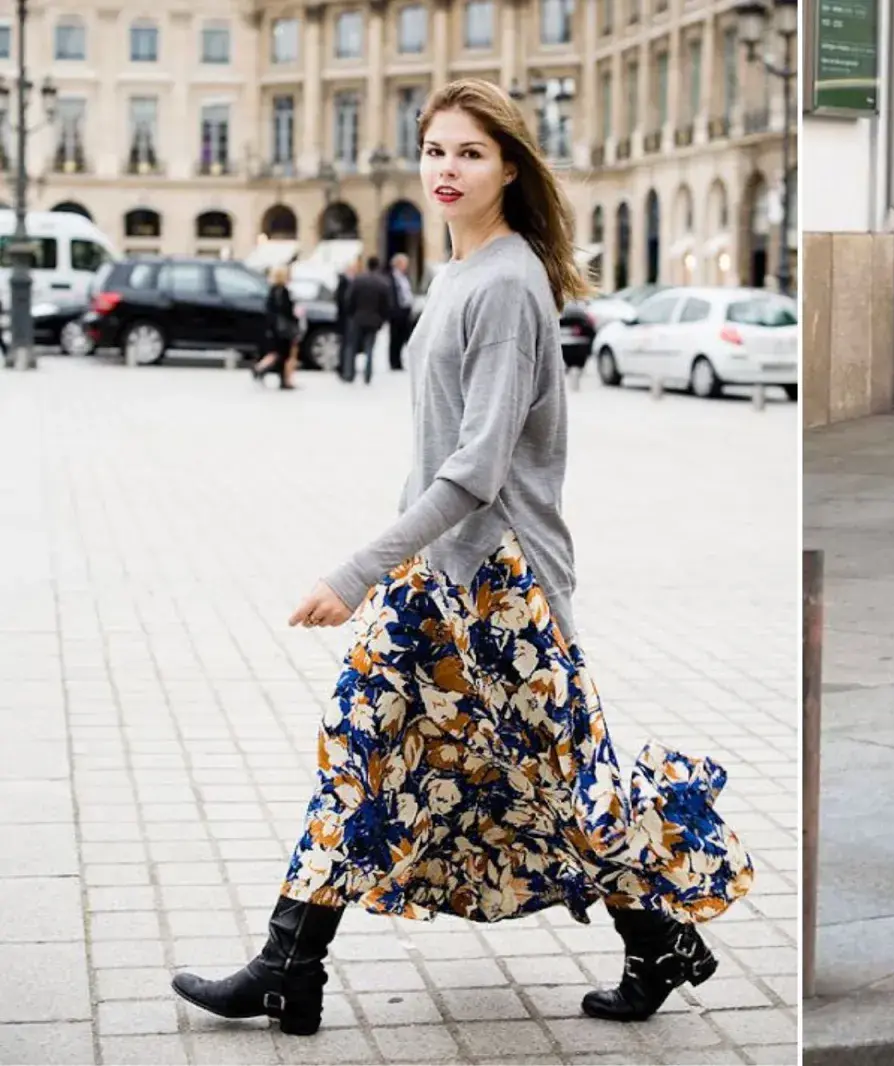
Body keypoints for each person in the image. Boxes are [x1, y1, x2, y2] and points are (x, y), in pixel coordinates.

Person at [169, 77, 754, 1037]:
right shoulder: (462, 271)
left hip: (503, 583)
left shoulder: (510, 282)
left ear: (510, 167)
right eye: (436, 150)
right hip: (436, 579)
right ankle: (289, 965)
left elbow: (476, 472)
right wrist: (395, 569)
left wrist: (352, 572)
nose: (447, 169)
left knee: (566, 780)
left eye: (470, 153)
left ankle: (660, 938)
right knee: (359, 750)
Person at [339, 257, 394, 384]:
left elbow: (349, 299)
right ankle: (367, 375)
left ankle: (349, 373)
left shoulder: (358, 280)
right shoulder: (382, 283)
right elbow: (387, 304)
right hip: (374, 320)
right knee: (369, 348)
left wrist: (351, 313)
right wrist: (382, 319)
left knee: (351, 347)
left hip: (357, 318)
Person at [250, 264, 300, 390]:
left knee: (277, 354)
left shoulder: (272, 291)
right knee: (285, 354)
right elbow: (287, 311)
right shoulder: (283, 292)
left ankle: (265, 371)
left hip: (274, 328)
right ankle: (265, 371)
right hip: (284, 329)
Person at [387, 253, 416, 371]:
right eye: (404, 264)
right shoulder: (391, 277)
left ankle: (399, 361)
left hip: (405, 311)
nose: (406, 266)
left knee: (404, 337)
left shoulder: (405, 277)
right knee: (395, 338)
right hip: (396, 312)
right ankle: (394, 362)